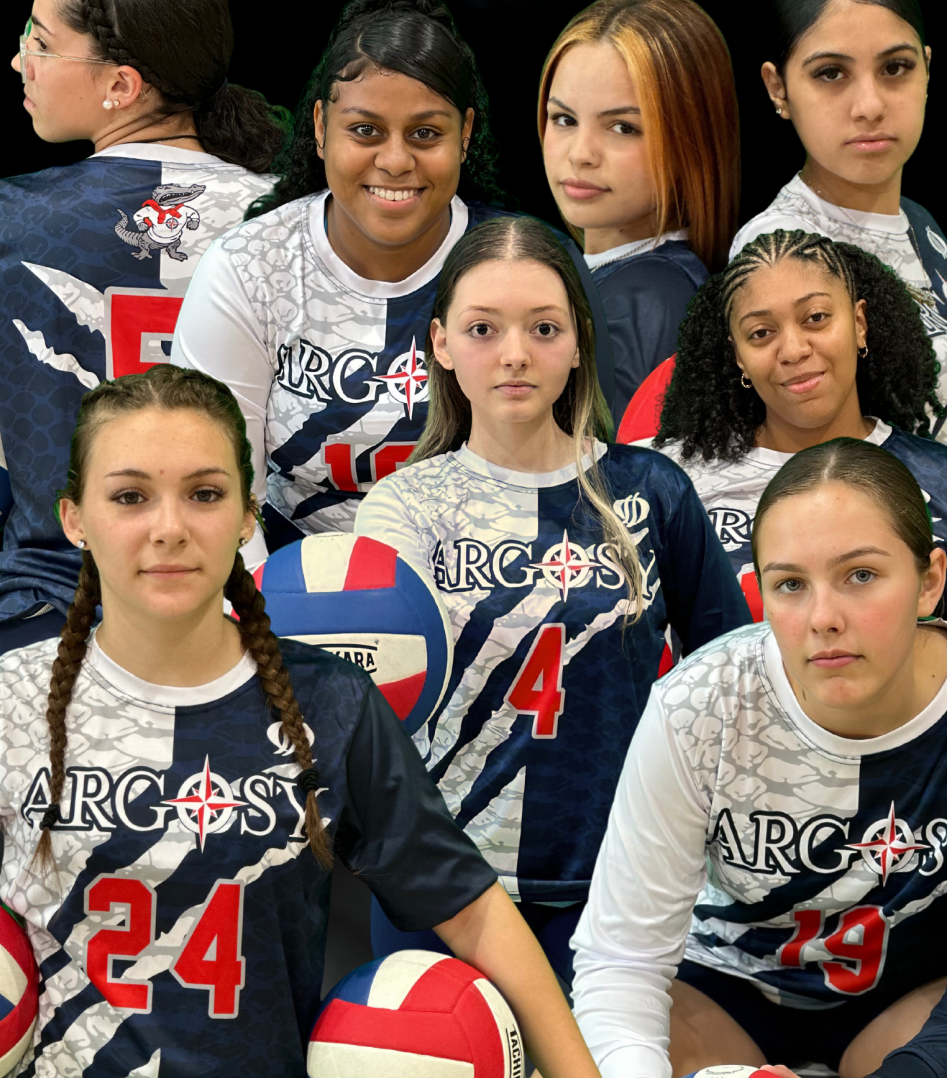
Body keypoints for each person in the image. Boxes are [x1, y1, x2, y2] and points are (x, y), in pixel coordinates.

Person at [0, 361, 603, 1078]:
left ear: (248, 514)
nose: (169, 528)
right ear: (76, 520)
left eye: (204, 494)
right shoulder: (15, 694)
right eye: (129, 496)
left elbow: (471, 908)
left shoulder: (329, 702)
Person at [354, 217, 751, 987]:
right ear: (440, 343)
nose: (514, 354)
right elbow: (370, 709)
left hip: (616, 885)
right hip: (440, 886)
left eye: (543, 327)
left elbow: (731, 675)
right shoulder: (403, 506)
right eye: (482, 328)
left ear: (578, 343)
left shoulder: (653, 491)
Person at [171, 0, 614, 559]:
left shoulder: (534, 264)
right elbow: (209, 488)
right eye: (366, 131)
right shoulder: (247, 268)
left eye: (425, 133)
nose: (396, 160)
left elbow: (586, 476)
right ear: (322, 127)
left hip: (491, 583)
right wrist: (274, 626)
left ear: (467, 134)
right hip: (284, 589)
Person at [571, 439, 947, 1078]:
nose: (823, 618)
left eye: (861, 575)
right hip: (725, 991)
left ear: (929, 582)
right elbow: (622, 957)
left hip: (907, 1001)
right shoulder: (701, 702)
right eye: (791, 585)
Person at [0, 0, 286, 666]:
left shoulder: (0, 222)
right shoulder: (292, 220)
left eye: (41, 42)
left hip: (48, 626)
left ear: (120, 85)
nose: (19, 58)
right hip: (249, 626)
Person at [650, 228, 947, 619]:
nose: (793, 350)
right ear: (738, 355)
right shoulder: (667, 484)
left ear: (859, 323)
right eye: (761, 333)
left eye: (816, 318)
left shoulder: (939, 475)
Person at [732, 0, 946, 437]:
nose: (869, 105)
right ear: (777, 88)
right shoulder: (781, 247)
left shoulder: (920, 221)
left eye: (895, 67)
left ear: (928, 70)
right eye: (832, 73)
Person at [539, 0, 739, 422]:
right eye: (564, 119)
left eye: (623, 128)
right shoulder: (624, 281)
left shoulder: (646, 300)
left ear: (694, 141)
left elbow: (608, 482)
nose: (581, 153)